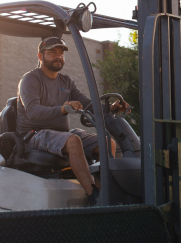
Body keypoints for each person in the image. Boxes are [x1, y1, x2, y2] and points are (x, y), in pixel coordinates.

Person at [16, 36, 130, 206]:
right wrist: (62, 109)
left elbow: (88, 105)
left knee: (107, 142)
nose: (58, 56)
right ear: (40, 56)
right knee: (73, 140)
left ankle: (106, 192)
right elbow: (33, 112)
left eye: (61, 53)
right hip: (34, 135)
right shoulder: (30, 79)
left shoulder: (66, 81)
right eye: (52, 52)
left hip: (60, 134)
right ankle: (94, 196)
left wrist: (110, 108)